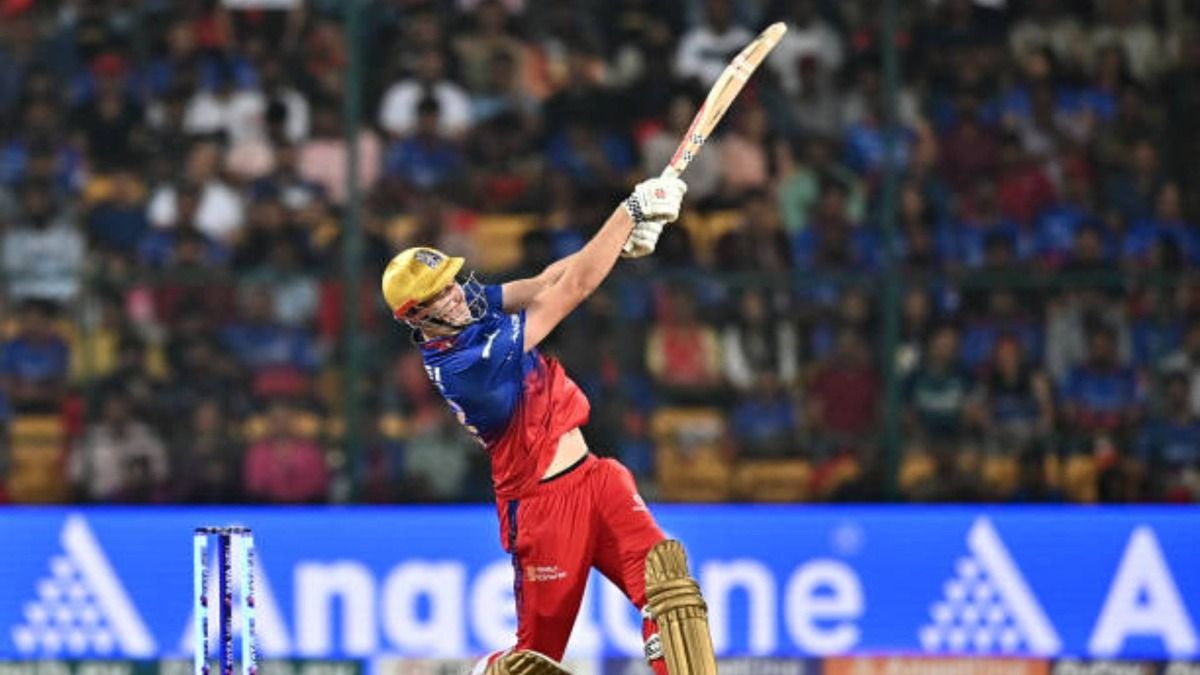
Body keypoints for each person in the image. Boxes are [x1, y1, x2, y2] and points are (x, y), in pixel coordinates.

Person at [380, 176, 715, 675]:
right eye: (437, 297)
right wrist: (629, 210)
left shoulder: (470, 313)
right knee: (535, 662)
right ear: (416, 318)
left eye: (450, 283)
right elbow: (573, 290)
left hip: (597, 480)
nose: (454, 297)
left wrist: (622, 242)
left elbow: (545, 281)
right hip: (542, 507)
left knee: (672, 598)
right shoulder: (464, 364)